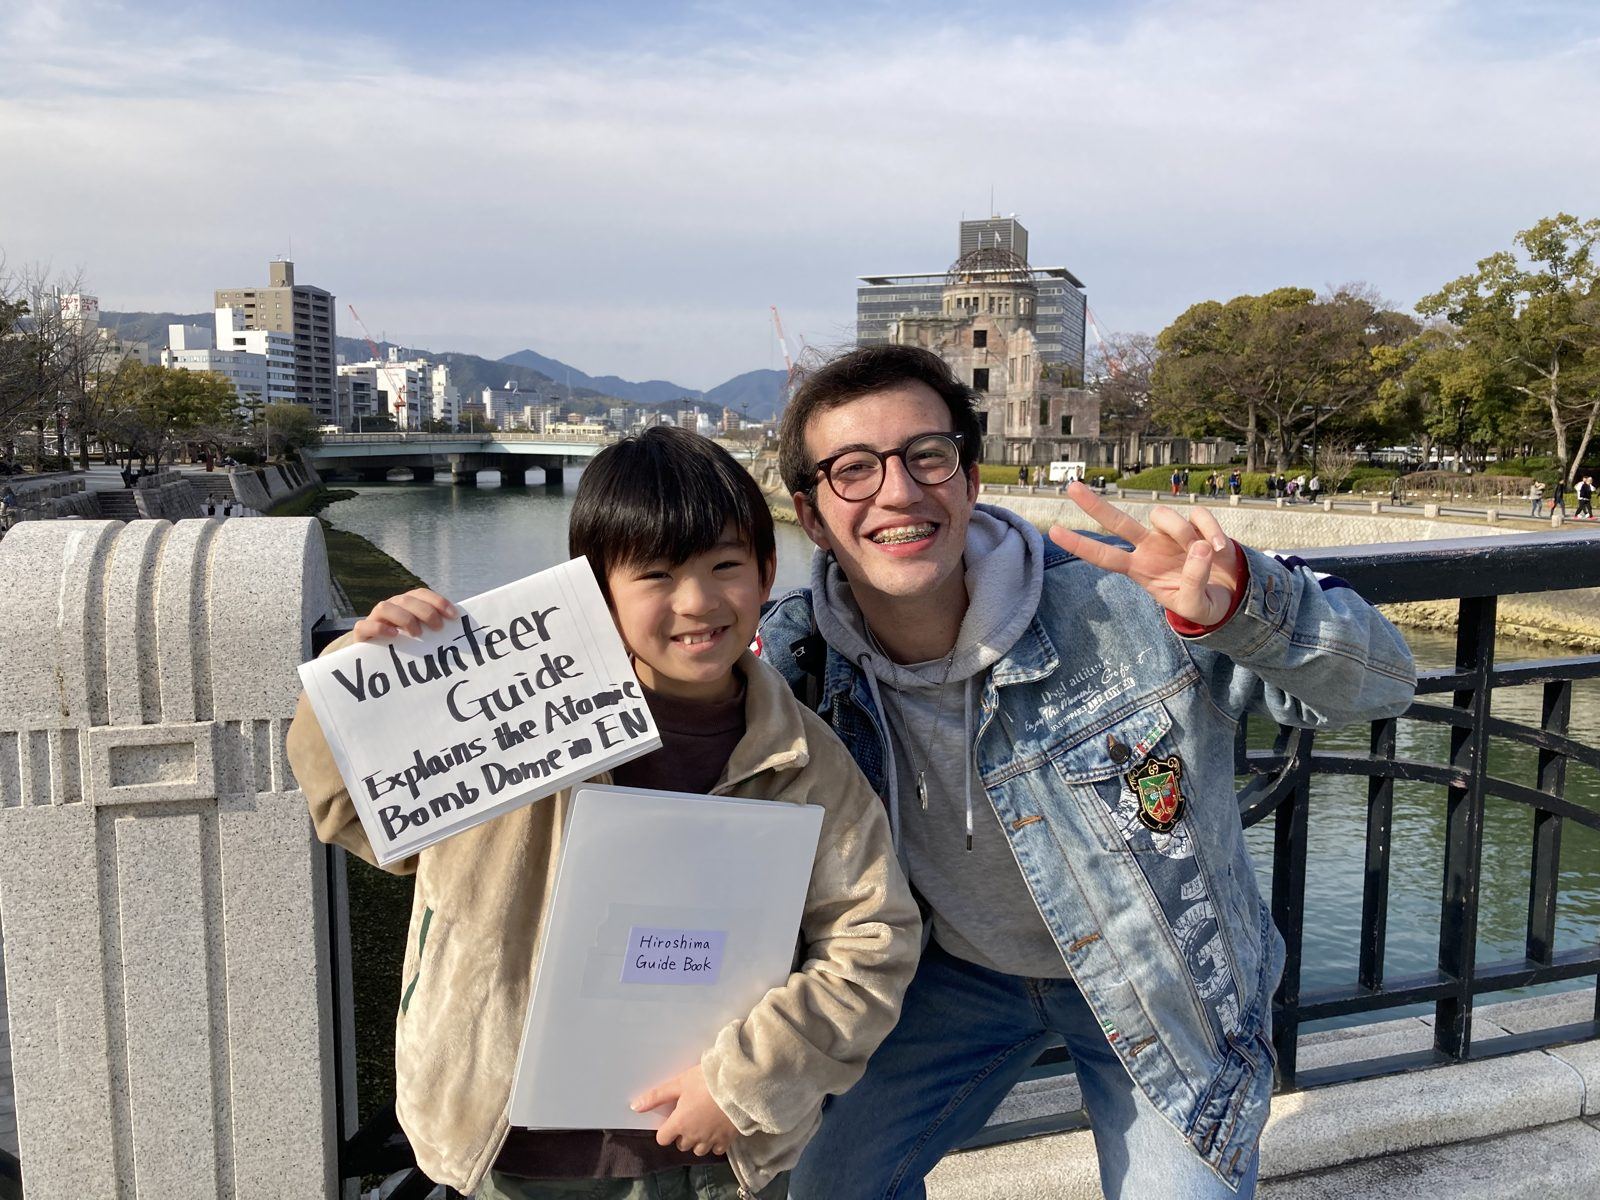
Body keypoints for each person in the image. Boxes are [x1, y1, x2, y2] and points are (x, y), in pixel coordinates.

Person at [760, 345, 1415, 1199]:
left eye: (926, 456)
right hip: (950, 976)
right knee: (820, 1186)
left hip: (1160, 978)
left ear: (969, 477)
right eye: (854, 470)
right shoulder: (796, 658)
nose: (897, 491)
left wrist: (1240, 608)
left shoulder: (1131, 595)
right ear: (811, 517)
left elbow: (1385, 683)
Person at [286, 426, 921, 1200]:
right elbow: (348, 811)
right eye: (655, 574)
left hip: (711, 1156)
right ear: (592, 590)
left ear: (765, 573)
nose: (697, 602)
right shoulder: (516, 711)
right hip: (505, 1145)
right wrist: (359, 679)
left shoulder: (804, 757)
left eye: (725, 566)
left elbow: (874, 938)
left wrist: (745, 1083)